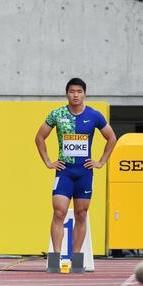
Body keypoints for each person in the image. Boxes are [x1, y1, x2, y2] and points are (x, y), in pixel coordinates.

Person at [35, 78, 116, 273]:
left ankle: (76, 259)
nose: (76, 95)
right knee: (59, 212)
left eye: (79, 91)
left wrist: (101, 161)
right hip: (64, 171)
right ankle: (55, 259)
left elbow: (111, 138)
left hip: (84, 172)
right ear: (67, 94)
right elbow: (39, 137)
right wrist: (48, 161)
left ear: (84, 94)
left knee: (81, 214)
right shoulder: (58, 114)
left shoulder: (94, 116)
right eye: (72, 91)